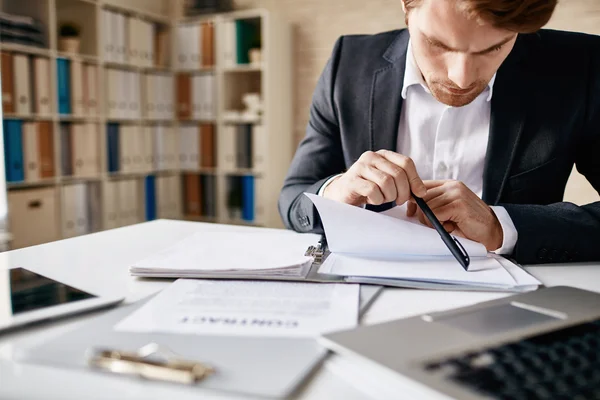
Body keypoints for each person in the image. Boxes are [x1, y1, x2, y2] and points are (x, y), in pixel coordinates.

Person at [278, 0, 600, 265]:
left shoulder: (580, 67)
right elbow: (293, 196)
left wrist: (500, 227)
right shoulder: (347, 64)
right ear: (406, 6)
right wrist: (337, 193)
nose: (461, 79)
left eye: (494, 48)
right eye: (438, 44)